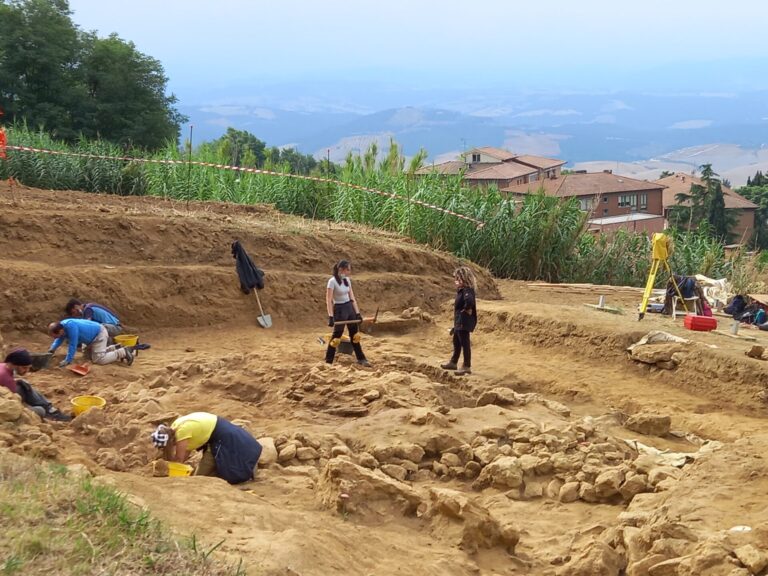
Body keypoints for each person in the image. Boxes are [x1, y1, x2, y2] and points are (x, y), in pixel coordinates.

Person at [150, 412, 263, 485]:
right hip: (217, 433)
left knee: (199, 479)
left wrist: (169, 467)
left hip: (221, 438)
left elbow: (179, 459)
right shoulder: (175, 426)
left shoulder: (182, 432)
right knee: (202, 475)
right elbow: (185, 453)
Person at [1, 348, 71, 421]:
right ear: (15, 365)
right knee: (40, 410)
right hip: (4, 407)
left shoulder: (3, 366)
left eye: (28, 368)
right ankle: (48, 411)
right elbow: (12, 403)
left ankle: (49, 409)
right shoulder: (6, 379)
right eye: (24, 368)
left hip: (6, 396)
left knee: (22, 382)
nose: (27, 371)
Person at [325, 259, 370, 367]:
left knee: (355, 335)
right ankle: (328, 360)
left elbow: (352, 297)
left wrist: (357, 313)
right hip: (339, 309)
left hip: (349, 308)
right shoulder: (332, 282)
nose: (349, 272)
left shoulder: (347, 280)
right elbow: (329, 300)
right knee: (336, 337)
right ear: (341, 269)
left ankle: (361, 358)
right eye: (348, 270)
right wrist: (331, 316)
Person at [48, 318, 133, 367]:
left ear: (60, 330)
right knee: (88, 358)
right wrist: (52, 349)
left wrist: (67, 360)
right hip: (89, 339)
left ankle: (123, 352)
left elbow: (73, 344)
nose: (55, 338)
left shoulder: (71, 326)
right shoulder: (62, 326)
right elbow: (59, 338)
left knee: (99, 360)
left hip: (98, 334)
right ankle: (115, 347)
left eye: (55, 335)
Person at [441, 266, 478, 375]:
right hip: (459, 321)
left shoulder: (467, 291)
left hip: (463, 321)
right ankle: (453, 362)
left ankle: (466, 365)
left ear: (465, 279)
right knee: (456, 342)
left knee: (464, 342)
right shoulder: (462, 291)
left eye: (458, 279)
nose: (456, 282)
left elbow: (469, 302)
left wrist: (465, 310)